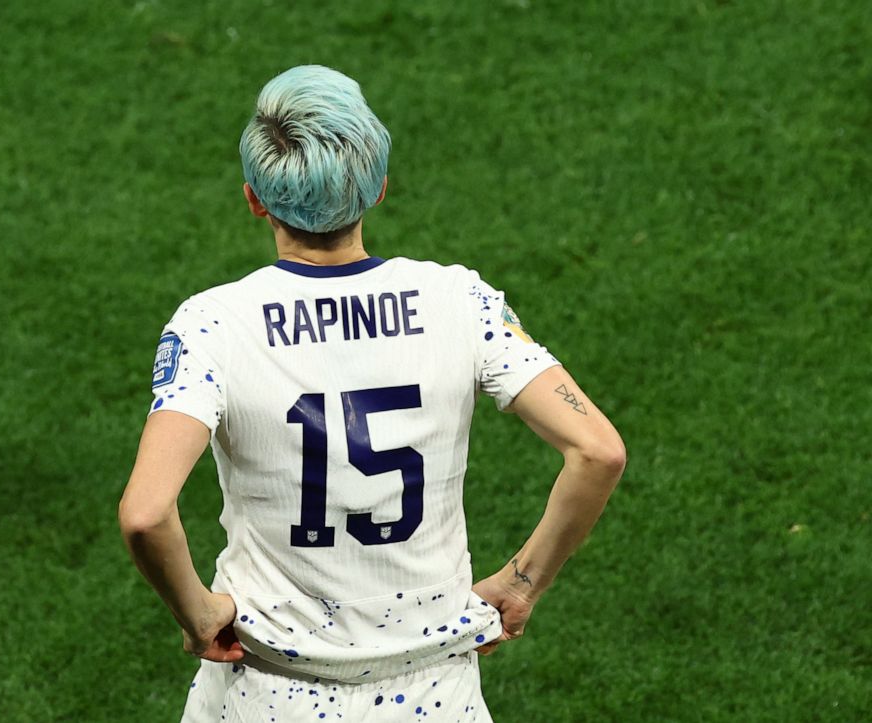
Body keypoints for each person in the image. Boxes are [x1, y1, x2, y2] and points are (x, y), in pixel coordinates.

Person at [119, 65, 626, 722]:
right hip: (436, 694)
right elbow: (598, 450)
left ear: (255, 199)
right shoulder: (459, 301)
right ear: (379, 188)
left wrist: (198, 613)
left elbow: (145, 513)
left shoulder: (213, 325)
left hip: (266, 692)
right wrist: (524, 581)